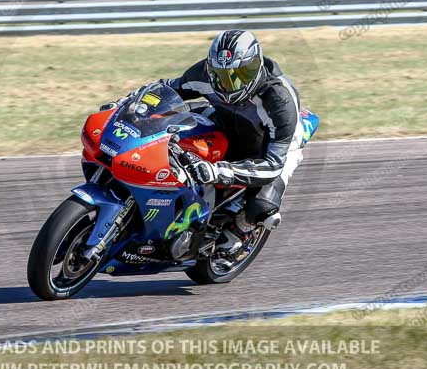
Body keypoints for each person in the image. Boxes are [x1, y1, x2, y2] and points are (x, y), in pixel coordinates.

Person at [106, 29, 305, 251]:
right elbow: (165, 90)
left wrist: (218, 171)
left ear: (256, 66)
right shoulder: (203, 73)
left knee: (261, 207)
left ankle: (240, 230)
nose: (231, 85)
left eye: (242, 75)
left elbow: (272, 165)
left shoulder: (279, 103)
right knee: (166, 134)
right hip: (224, 120)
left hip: (272, 146)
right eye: (223, 76)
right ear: (211, 69)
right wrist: (126, 104)